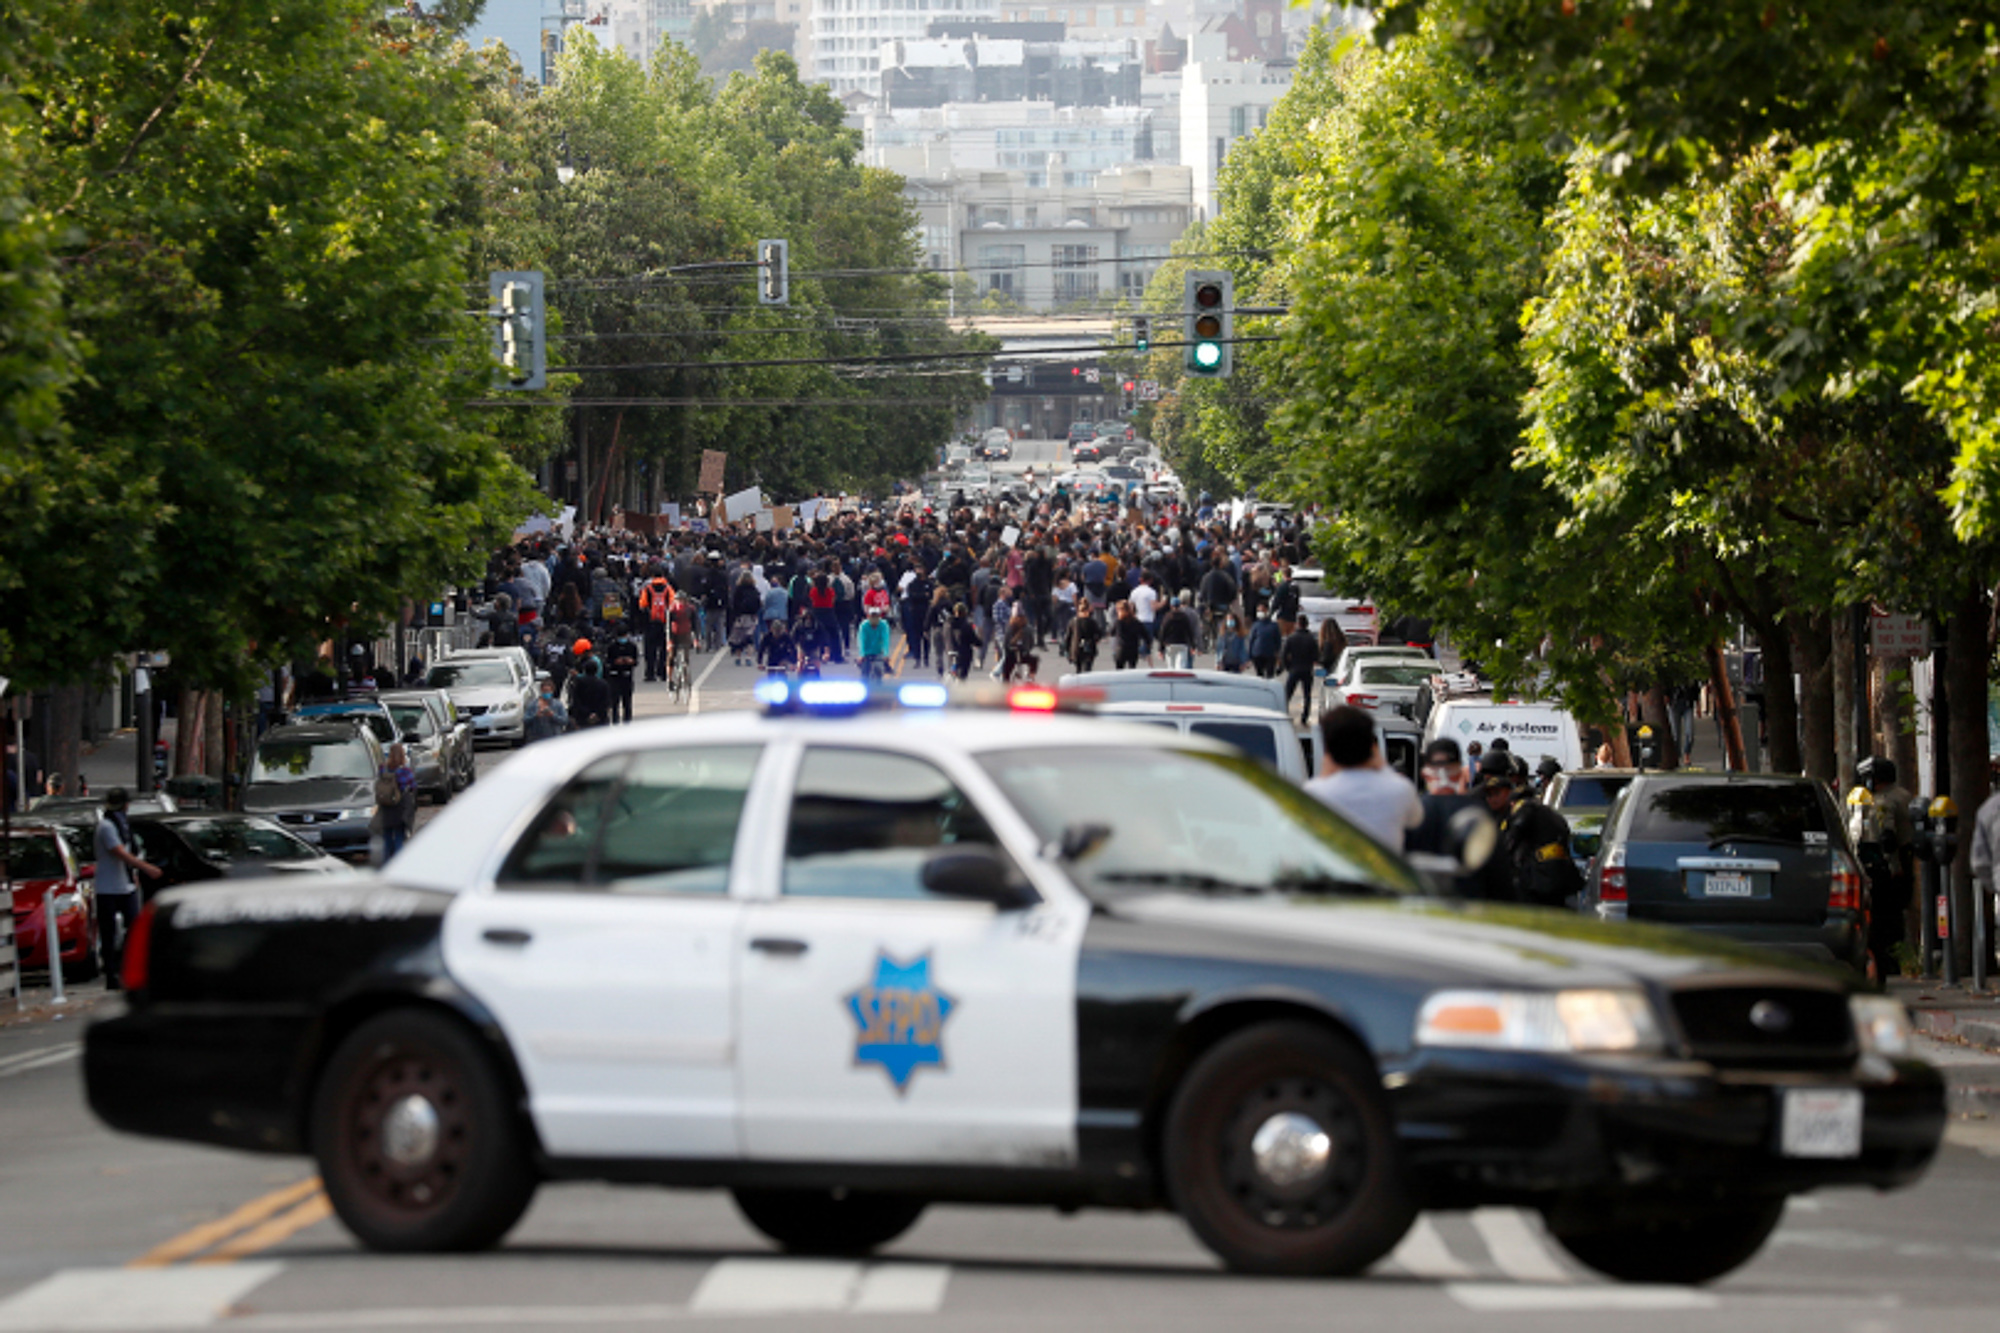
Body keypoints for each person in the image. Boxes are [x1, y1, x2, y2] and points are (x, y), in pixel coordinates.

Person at [1303, 706, 1425, 853]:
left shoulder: (1313, 793)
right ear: (1373, 746)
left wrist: (1324, 774)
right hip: (1383, 875)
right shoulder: (1400, 789)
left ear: (1327, 749)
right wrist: (1383, 766)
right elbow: (1415, 820)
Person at [1407, 738, 1508, 899]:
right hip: (1468, 908)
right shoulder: (1477, 812)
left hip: (1421, 907)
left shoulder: (1410, 812)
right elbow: (1498, 872)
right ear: (1460, 772)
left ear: (1425, 773)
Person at [1485, 757, 1580, 908]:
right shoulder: (1551, 813)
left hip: (1540, 879)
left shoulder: (1525, 811)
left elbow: (1512, 838)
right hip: (1561, 877)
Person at [94, 788, 161, 988]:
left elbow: (131, 849)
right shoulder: (106, 826)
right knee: (109, 933)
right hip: (107, 887)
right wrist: (147, 868)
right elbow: (120, 853)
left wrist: (134, 875)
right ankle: (111, 975)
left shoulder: (123, 825)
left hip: (126, 885)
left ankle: (129, 969)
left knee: (133, 929)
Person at [373, 743, 418, 865]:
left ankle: (386, 863)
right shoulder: (405, 771)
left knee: (387, 837)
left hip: (386, 807)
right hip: (400, 807)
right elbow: (413, 786)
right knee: (399, 836)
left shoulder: (383, 769)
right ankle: (399, 864)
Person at [1281, 614, 1320, 724]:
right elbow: (1316, 656)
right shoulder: (1311, 639)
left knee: (1287, 693)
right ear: (1307, 625)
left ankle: (1284, 712)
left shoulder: (1291, 638)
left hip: (1294, 668)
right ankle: (1305, 716)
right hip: (1307, 669)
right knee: (1307, 694)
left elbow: (1284, 654)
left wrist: (1288, 666)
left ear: (1297, 624)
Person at [1156, 591, 1199, 670]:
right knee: (1181, 666)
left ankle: (1171, 681)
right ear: (1179, 605)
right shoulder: (1184, 617)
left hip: (1169, 644)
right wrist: (1193, 646)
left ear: (1171, 606)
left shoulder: (1167, 617)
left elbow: (1162, 632)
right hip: (1182, 644)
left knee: (1171, 667)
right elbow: (1189, 632)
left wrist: (1160, 649)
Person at [604, 625, 639, 723]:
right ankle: (615, 719)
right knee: (615, 701)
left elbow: (636, 661)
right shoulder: (612, 647)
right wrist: (615, 662)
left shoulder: (632, 647)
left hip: (627, 676)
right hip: (614, 676)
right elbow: (607, 661)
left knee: (627, 701)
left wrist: (631, 661)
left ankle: (627, 720)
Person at [567, 657, 612, 728]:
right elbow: (606, 701)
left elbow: (576, 699)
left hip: (582, 717)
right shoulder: (603, 684)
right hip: (599, 718)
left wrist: (586, 713)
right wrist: (597, 713)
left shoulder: (579, 683)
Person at [524, 675, 569, 742]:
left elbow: (565, 720)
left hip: (554, 739)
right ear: (541, 690)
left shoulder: (557, 704)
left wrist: (553, 715)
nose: (546, 693)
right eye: (544, 691)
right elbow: (525, 720)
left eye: (548, 691)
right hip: (537, 739)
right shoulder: (533, 705)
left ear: (552, 691)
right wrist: (535, 716)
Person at [857, 604, 893, 681]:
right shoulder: (863, 626)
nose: (874, 618)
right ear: (869, 617)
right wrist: (861, 654)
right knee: (864, 673)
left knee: (878, 669)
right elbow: (861, 640)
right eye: (872, 616)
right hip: (866, 652)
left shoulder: (884, 625)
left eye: (876, 616)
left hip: (878, 652)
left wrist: (886, 654)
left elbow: (885, 640)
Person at [1066, 603, 1103, 672]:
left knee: (1086, 668)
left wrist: (1095, 640)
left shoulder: (1091, 622)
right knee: (1080, 669)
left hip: (1086, 648)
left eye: (1085, 611)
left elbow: (1099, 633)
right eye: (1082, 611)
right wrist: (1068, 651)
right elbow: (1069, 637)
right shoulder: (1074, 622)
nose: (1084, 614)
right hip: (1077, 649)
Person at [1247, 606, 1281, 679]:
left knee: (1269, 676)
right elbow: (1251, 640)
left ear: (1267, 611)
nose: (1260, 613)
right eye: (1258, 611)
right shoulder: (1255, 625)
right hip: (1257, 654)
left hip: (1270, 655)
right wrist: (1249, 656)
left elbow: (1278, 640)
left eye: (1262, 610)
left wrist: (1277, 653)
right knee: (1259, 676)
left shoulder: (1273, 625)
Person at [1111, 599, 1144, 671]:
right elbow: (1144, 634)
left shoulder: (1119, 622)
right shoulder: (1136, 622)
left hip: (1121, 648)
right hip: (1133, 648)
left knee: (1119, 670)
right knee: (1132, 669)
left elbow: (1112, 632)